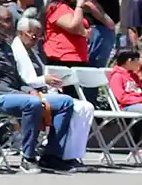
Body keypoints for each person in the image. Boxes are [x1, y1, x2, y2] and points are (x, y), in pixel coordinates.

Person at [0, 4, 77, 168]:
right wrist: (24, 95)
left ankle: (51, 156)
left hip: (14, 95)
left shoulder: (6, 46)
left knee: (65, 102)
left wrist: (29, 89)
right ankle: (28, 157)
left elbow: (17, 79)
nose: (12, 24)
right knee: (32, 103)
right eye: (7, 20)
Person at [15, 10, 92, 162]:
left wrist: (52, 81)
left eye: (38, 36)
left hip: (44, 90)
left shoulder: (33, 51)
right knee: (69, 104)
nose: (36, 39)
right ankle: (55, 154)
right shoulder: (15, 50)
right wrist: (45, 79)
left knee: (86, 107)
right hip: (28, 93)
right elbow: (24, 80)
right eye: (33, 35)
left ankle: (72, 154)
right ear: (21, 33)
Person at [42, 0, 93, 67]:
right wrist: (79, 6)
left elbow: (80, 29)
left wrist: (84, 31)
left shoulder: (69, 8)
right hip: (62, 57)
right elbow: (73, 26)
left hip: (77, 57)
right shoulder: (56, 7)